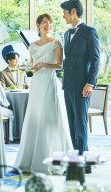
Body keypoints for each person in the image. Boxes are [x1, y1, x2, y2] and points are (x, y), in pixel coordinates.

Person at [13, 13, 72, 174]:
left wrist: (44, 64)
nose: (48, 26)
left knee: (50, 118)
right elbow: (33, 65)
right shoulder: (32, 45)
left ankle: (53, 159)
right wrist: (28, 68)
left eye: (50, 23)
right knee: (35, 117)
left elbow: (59, 65)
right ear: (38, 25)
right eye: (45, 23)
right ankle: (31, 158)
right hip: (37, 84)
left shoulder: (56, 43)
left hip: (50, 83)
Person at [61, 0, 100, 162]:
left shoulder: (90, 32)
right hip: (68, 84)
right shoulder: (66, 33)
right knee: (71, 123)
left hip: (83, 85)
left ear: (73, 11)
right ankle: (76, 157)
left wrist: (90, 83)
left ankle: (84, 160)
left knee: (80, 124)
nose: (63, 16)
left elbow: (96, 58)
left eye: (64, 12)